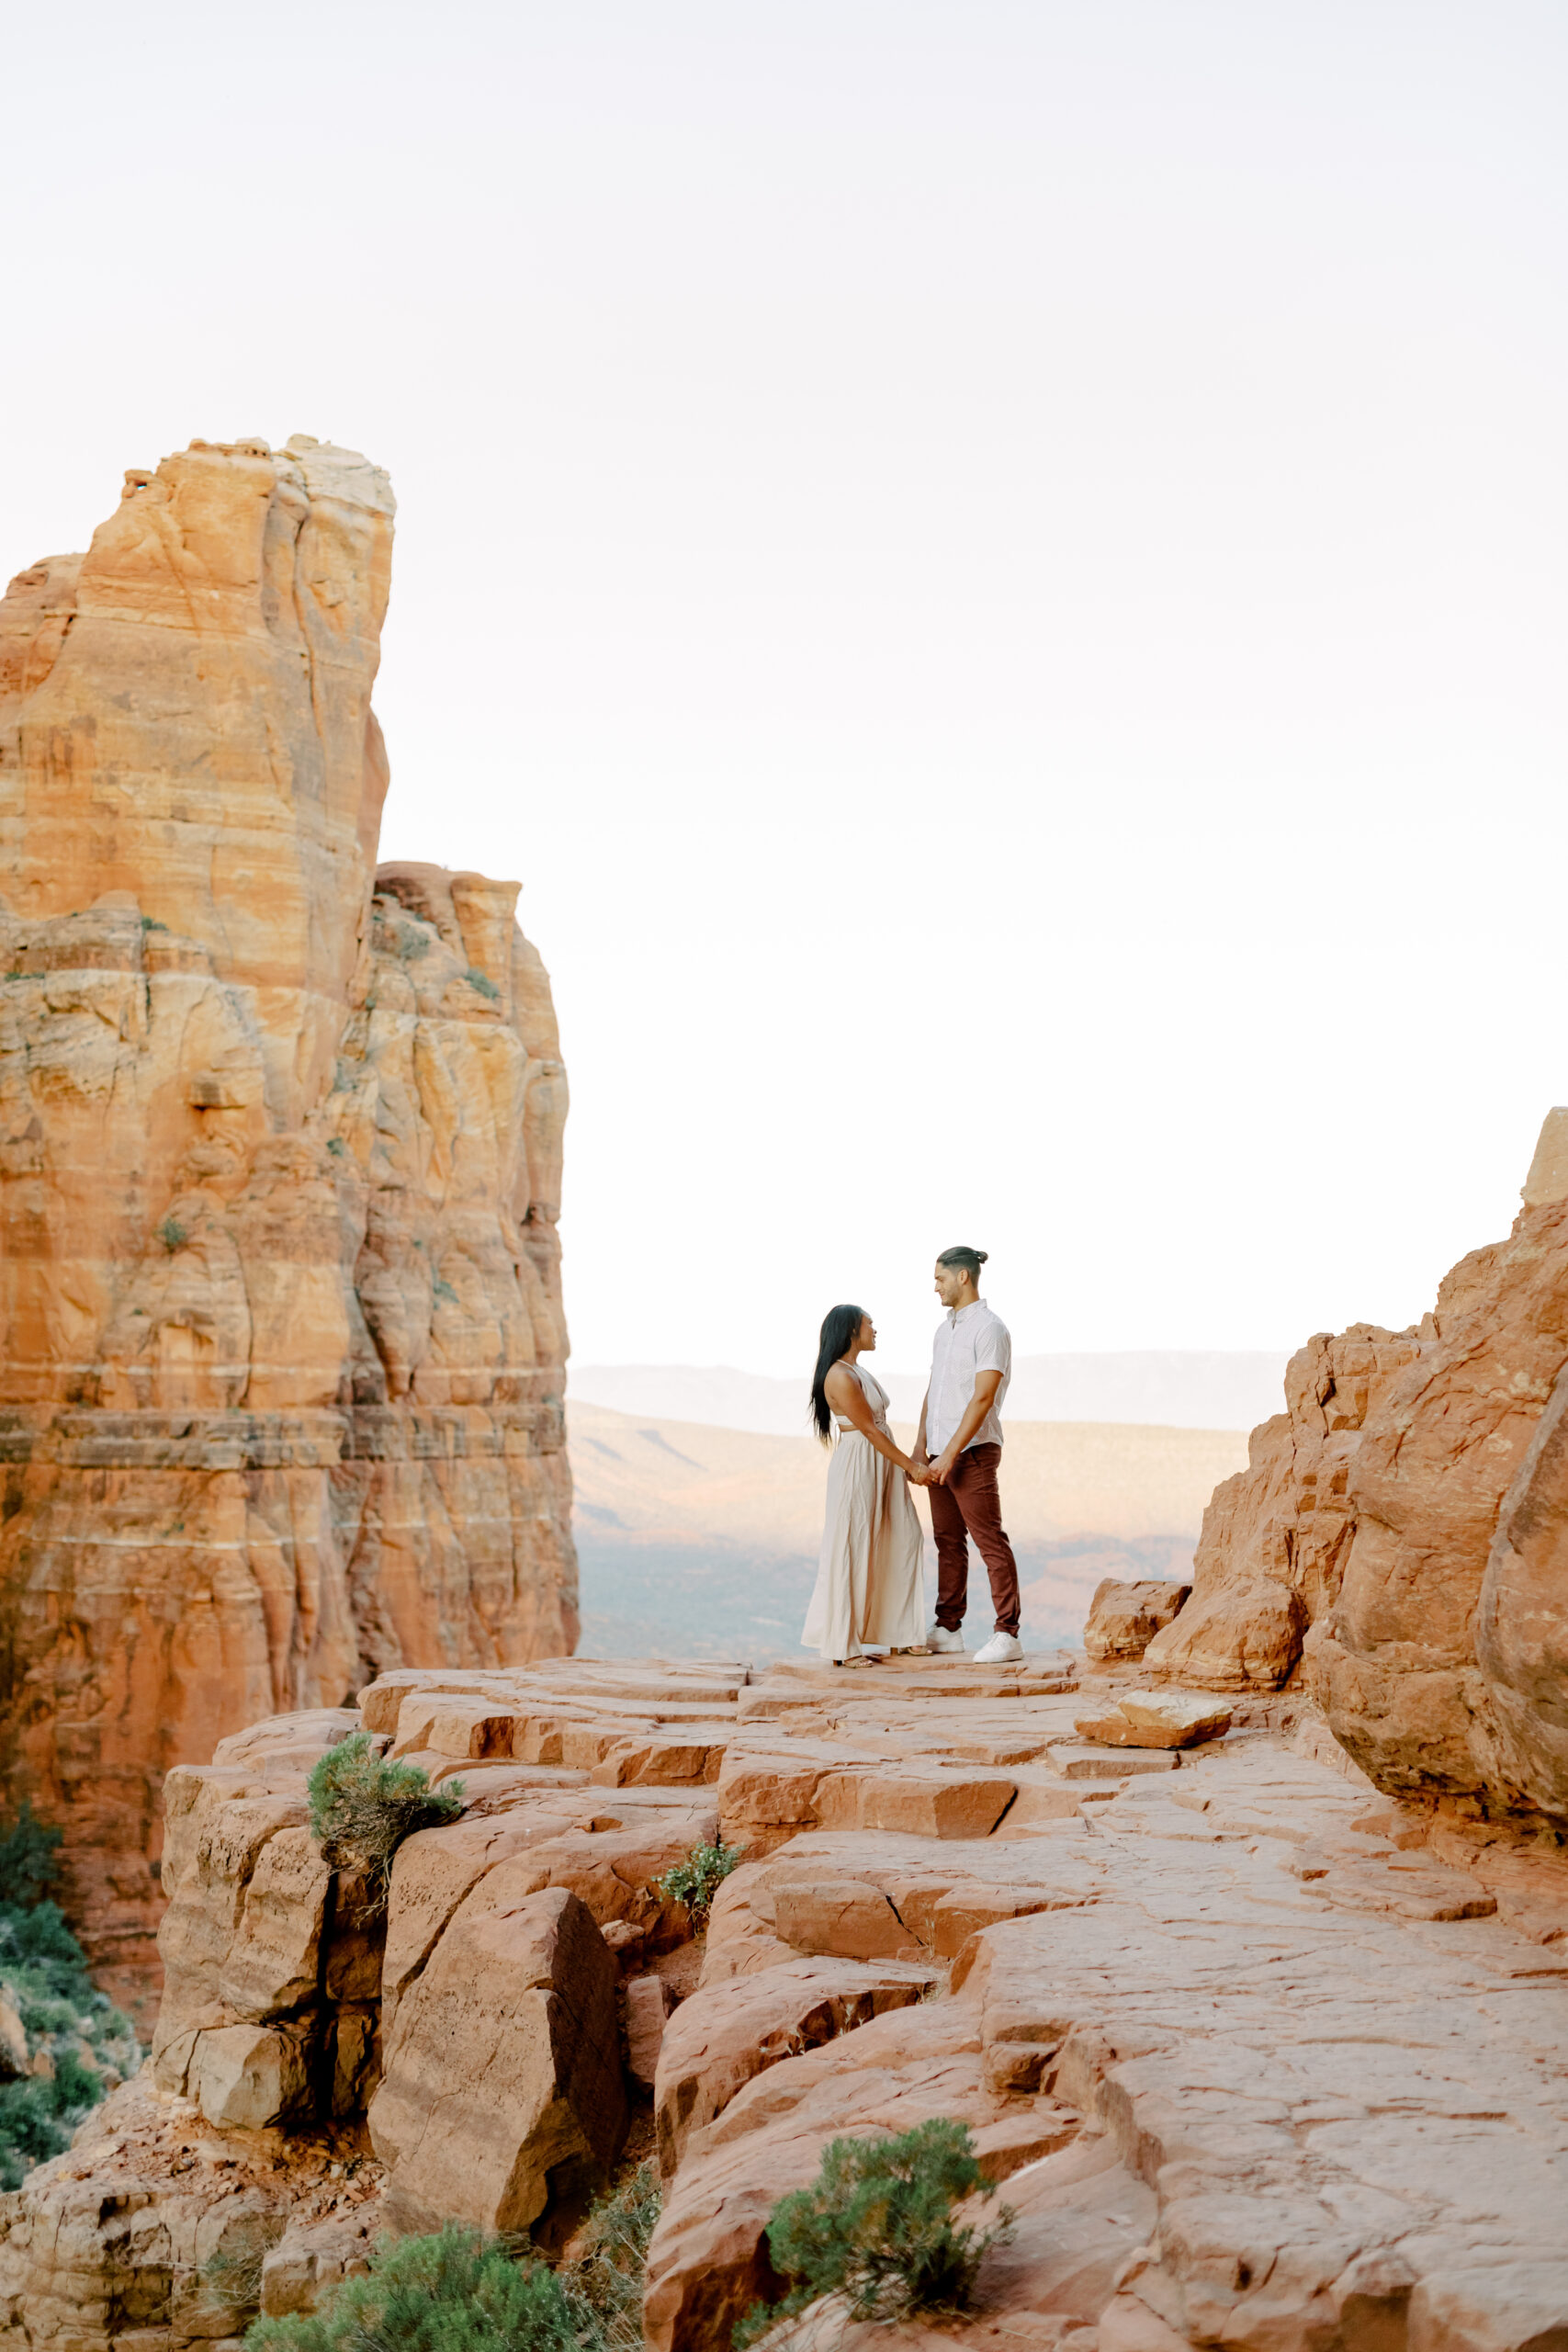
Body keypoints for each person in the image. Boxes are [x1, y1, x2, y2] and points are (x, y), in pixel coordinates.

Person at [912, 1246, 1024, 1664]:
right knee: (947, 1541)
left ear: (963, 1277)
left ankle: (1008, 1633)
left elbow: (982, 1399)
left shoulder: (990, 1329)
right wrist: (921, 1446)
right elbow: (934, 1391)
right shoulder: (944, 1331)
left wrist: (951, 1454)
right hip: (939, 1451)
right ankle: (948, 1628)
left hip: (973, 1452)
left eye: (940, 1278)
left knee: (989, 1541)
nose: (935, 1287)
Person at [801, 1303, 928, 1665]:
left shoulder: (857, 1370)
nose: (875, 1330)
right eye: (869, 1324)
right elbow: (869, 1429)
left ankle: (900, 1633)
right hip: (860, 1462)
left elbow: (876, 1429)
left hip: (879, 1461)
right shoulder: (840, 1376)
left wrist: (899, 1464)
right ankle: (844, 1644)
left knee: (905, 1536)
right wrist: (911, 1467)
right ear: (851, 1331)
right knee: (854, 1544)